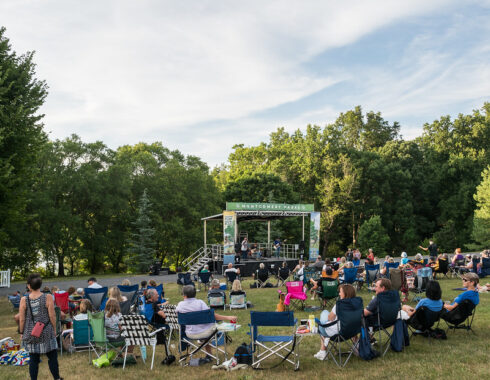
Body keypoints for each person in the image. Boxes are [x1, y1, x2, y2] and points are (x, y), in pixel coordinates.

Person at [176, 285, 237, 363]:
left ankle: (209, 354)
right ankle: (209, 354)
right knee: (209, 326)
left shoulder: (180, 305)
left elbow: (178, 316)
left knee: (205, 327)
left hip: (189, 334)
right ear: (195, 294)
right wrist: (227, 317)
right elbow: (212, 316)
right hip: (205, 333)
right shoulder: (200, 303)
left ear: (184, 295)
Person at [19, 273, 62, 380]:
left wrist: (21, 332)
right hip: (46, 331)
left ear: (29, 286)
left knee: (33, 359)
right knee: (52, 357)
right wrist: (54, 328)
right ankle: (56, 378)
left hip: (31, 333)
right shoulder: (48, 297)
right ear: (40, 285)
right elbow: (52, 316)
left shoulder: (24, 300)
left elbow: (22, 319)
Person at [314, 284, 357, 360]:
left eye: (340, 292)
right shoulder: (358, 305)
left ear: (345, 293)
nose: (339, 294)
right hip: (351, 332)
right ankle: (357, 346)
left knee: (324, 313)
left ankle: (322, 351)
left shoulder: (339, 305)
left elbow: (330, 318)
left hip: (337, 334)